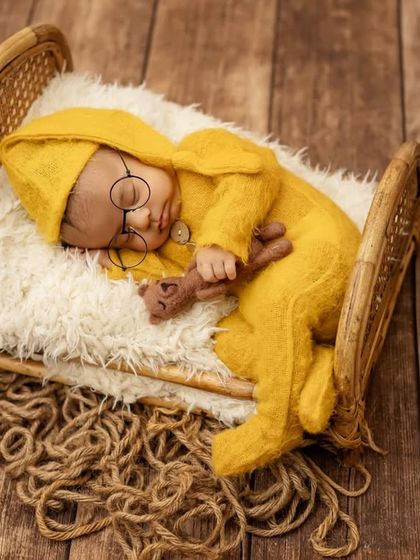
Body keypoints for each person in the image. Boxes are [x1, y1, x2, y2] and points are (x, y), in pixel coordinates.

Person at [0, 107, 361, 476]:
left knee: (281, 306)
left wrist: (222, 238)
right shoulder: (156, 244)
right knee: (225, 342)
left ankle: (276, 423)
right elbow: (170, 281)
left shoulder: (197, 154)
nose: (141, 219)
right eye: (125, 233)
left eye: (130, 195)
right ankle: (312, 370)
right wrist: (108, 259)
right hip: (274, 296)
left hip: (319, 249)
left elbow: (255, 172)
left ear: (138, 152)